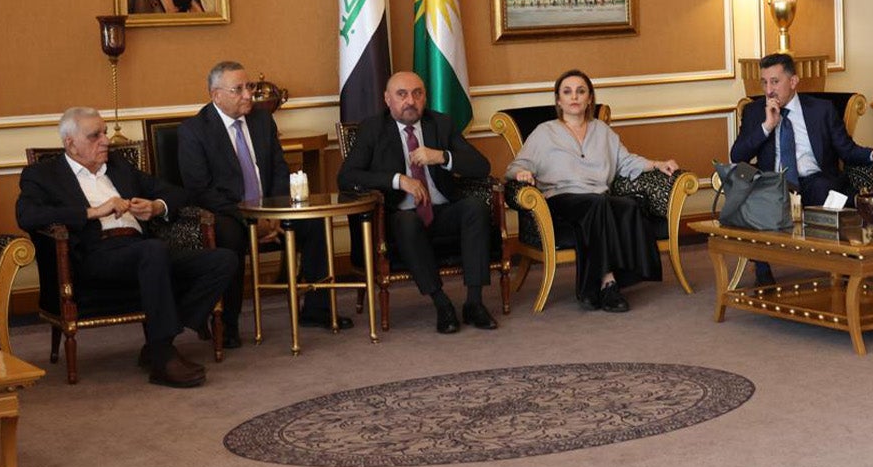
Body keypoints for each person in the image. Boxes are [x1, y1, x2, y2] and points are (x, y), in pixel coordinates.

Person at [17, 108, 234, 388]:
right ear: (70, 143)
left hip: (142, 249)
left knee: (222, 260)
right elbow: (27, 216)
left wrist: (156, 207)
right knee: (153, 250)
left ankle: (159, 342)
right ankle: (163, 358)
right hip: (96, 255)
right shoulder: (43, 174)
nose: (105, 141)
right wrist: (92, 212)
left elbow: (176, 192)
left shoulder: (118, 166)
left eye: (105, 133)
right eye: (95, 136)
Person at [177, 60, 345, 348]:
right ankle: (227, 323)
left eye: (250, 86)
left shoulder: (262, 120)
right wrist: (251, 219)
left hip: (270, 209)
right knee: (229, 236)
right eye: (239, 89)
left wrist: (276, 212)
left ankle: (317, 309)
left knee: (315, 222)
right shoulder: (194, 130)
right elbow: (200, 190)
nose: (248, 95)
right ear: (216, 95)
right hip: (227, 213)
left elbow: (279, 170)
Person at [507, 69, 679, 313]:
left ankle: (617, 279)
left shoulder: (603, 131)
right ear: (558, 100)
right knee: (598, 205)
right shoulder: (544, 132)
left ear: (589, 99)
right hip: (560, 199)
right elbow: (515, 166)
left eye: (580, 91)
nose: (574, 97)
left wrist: (657, 164)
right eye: (567, 92)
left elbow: (625, 161)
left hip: (597, 199)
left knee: (628, 206)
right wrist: (522, 174)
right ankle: (606, 283)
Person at [338, 71, 496, 334]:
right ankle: (441, 303)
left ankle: (474, 302)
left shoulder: (441, 123)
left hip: (441, 211)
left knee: (475, 208)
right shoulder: (373, 129)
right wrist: (398, 180)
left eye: (417, 94)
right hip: (399, 217)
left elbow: (481, 166)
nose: (410, 101)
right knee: (407, 221)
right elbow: (346, 177)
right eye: (402, 94)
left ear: (425, 97)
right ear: (387, 99)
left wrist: (443, 157)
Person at [729, 52, 873, 284]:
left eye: (775, 82)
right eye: (764, 82)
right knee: (758, 198)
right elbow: (737, 155)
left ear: (793, 81)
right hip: (774, 183)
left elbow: (846, 149)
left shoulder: (821, 110)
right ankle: (762, 271)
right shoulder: (755, 112)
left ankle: (845, 264)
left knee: (828, 193)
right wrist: (767, 126)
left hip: (814, 180)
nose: (769, 90)